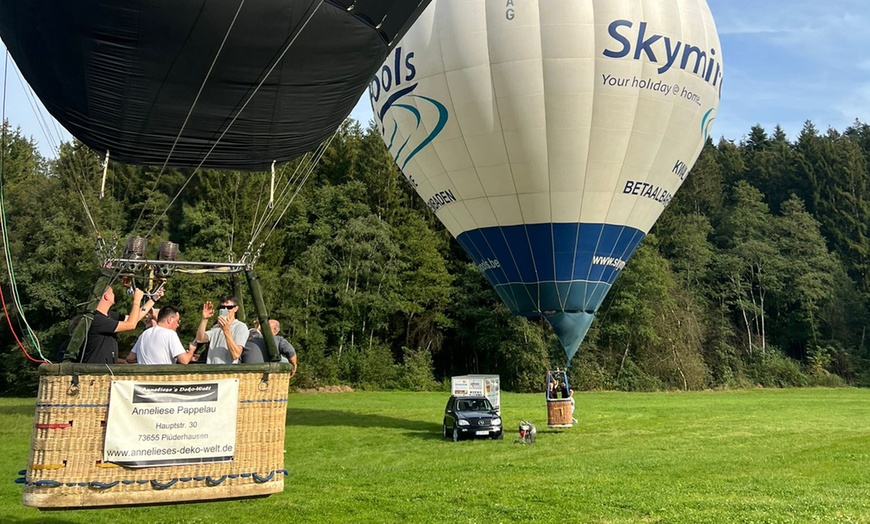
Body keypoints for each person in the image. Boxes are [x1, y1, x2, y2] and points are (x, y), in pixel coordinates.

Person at [81, 285, 156, 364]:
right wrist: (136, 301)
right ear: (106, 296)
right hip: (94, 369)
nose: (114, 294)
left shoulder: (109, 316)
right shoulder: (97, 319)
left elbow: (134, 319)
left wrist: (154, 299)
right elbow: (131, 325)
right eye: (112, 292)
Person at [126, 306, 195, 365]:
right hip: (162, 375)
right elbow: (184, 360)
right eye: (177, 321)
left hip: (144, 376)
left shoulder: (144, 334)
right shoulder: (170, 334)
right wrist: (191, 351)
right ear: (170, 319)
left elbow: (130, 358)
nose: (178, 325)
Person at [195, 295, 248, 364]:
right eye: (222, 307)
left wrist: (226, 331)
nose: (225, 310)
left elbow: (236, 354)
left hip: (228, 370)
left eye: (229, 307)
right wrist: (204, 319)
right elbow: (199, 339)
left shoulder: (240, 327)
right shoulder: (216, 327)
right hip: (212, 370)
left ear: (236, 308)